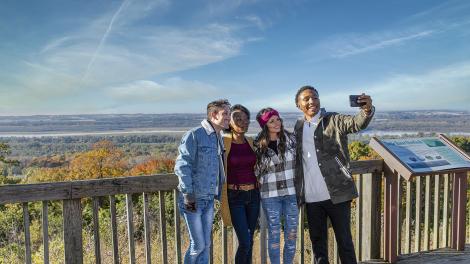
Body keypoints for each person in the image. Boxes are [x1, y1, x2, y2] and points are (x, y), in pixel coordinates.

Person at [293, 85, 374, 264]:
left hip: (337, 193)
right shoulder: (298, 127)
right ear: (299, 105)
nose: (311, 101)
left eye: (314, 97)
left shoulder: (333, 120)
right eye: (306, 99)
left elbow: (356, 123)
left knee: (345, 242)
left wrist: (366, 109)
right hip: (311, 198)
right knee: (318, 246)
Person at [174, 99, 231, 264]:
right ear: (214, 115)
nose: (229, 117)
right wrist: (188, 195)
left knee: (206, 245)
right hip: (193, 199)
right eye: (225, 113)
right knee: (197, 245)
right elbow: (182, 165)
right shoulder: (195, 135)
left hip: (208, 200)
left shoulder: (218, 137)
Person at [254, 107, 298, 264]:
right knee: (274, 234)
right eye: (271, 121)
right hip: (270, 195)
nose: (277, 123)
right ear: (264, 125)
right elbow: (255, 172)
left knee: (292, 233)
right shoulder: (258, 145)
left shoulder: (292, 139)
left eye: (278, 119)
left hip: (291, 193)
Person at [220, 104, 260, 264]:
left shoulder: (251, 142)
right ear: (229, 122)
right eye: (238, 119)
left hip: (254, 195)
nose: (243, 122)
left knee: (249, 240)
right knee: (245, 241)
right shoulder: (223, 143)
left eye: (245, 119)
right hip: (235, 197)